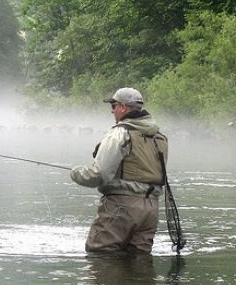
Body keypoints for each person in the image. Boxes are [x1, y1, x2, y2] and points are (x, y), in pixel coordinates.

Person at [70, 87, 168, 254]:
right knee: (139, 261)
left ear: (123, 107)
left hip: (121, 207)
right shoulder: (159, 137)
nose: (112, 111)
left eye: (114, 106)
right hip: (151, 209)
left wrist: (76, 173)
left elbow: (99, 174)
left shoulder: (120, 133)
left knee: (100, 255)